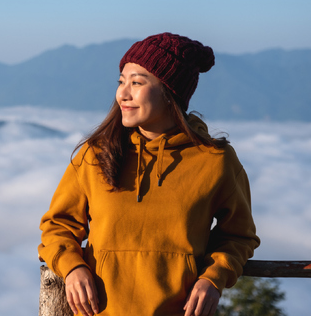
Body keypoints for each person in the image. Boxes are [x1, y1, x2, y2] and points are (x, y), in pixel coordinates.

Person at [38, 33, 260, 316]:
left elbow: (239, 236)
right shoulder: (96, 154)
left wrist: (213, 279)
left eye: (137, 82)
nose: (123, 94)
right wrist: (72, 266)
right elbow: (57, 225)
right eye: (121, 81)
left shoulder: (215, 161)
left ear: (170, 92)